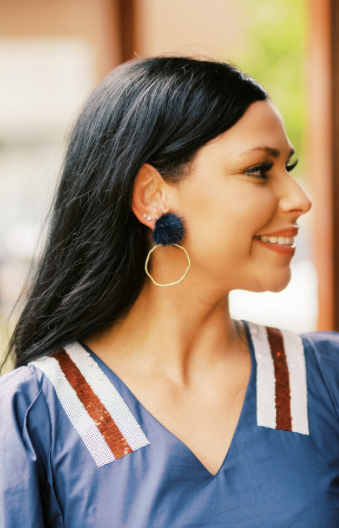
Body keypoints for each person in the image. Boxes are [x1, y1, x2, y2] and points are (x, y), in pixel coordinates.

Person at [0, 55, 339, 528]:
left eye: (289, 166)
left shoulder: (327, 379)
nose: (299, 198)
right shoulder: (33, 418)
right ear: (152, 196)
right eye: (260, 169)